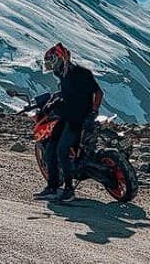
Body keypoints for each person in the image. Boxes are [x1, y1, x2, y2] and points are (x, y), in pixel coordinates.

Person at [34, 42, 103, 202]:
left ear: (60, 58)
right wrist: (55, 102)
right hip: (66, 117)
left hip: (78, 119)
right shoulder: (64, 76)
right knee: (51, 148)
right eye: (48, 63)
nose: (50, 66)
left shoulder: (80, 73)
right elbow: (69, 96)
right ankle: (52, 187)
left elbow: (98, 92)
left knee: (61, 150)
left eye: (52, 61)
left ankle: (69, 190)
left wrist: (93, 112)